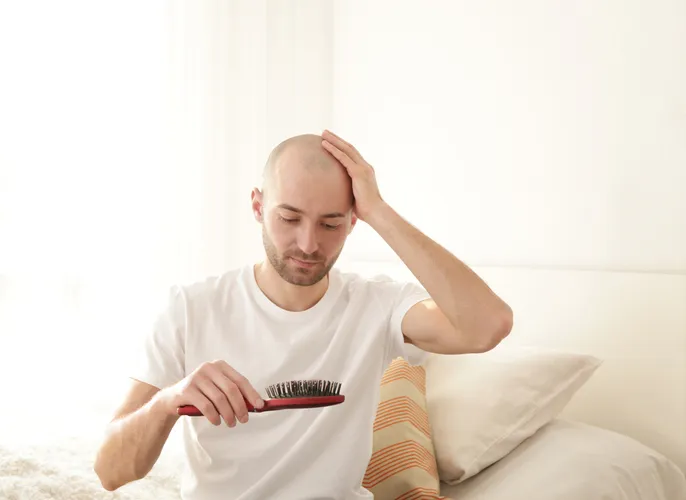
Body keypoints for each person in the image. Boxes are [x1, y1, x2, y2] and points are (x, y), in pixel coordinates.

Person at [93, 130, 513, 499]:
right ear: (258, 207)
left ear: (352, 222)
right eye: (289, 218)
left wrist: (379, 211)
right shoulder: (191, 308)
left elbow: (487, 326)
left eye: (330, 224)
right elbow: (110, 472)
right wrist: (168, 401)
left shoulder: (378, 306)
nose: (309, 244)